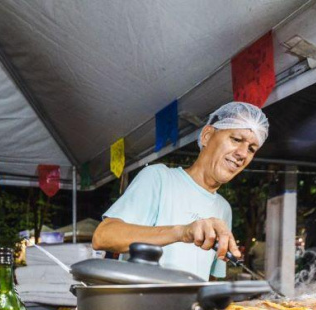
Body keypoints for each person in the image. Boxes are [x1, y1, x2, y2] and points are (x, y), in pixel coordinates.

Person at [92, 101, 269, 280]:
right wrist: (182, 232)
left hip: (189, 308)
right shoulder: (159, 178)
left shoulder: (223, 209)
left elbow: (210, 277)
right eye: (236, 139)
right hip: (141, 306)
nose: (243, 153)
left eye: (252, 149)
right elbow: (103, 236)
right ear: (207, 136)